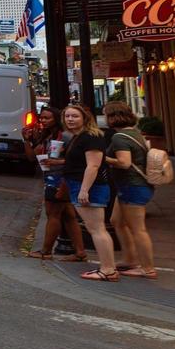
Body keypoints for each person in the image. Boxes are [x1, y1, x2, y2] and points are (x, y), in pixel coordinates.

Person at [57, 103, 118, 282]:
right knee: (95, 229)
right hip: (81, 185)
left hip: (89, 187)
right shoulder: (80, 137)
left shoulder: (90, 137)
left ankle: (108, 269)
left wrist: (84, 190)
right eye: (67, 116)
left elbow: (93, 165)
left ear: (85, 118)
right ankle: (108, 268)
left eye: (75, 116)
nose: (70, 119)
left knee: (97, 229)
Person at [24, 105, 85, 262]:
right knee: (68, 216)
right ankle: (80, 252)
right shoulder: (47, 136)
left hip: (59, 179)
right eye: (42, 117)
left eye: (47, 118)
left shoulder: (64, 136)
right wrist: (27, 140)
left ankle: (46, 251)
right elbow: (32, 158)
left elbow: (77, 160)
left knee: (53, 214)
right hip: (52, 176)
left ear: (56, 119)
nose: (43, 120)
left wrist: (57, 162)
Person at [103, 101, 158, 278]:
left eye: (106, 114)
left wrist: (104, 159)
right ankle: (129, 259)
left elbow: (124, 163)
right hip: (132, 185)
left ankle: (147, 268)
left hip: (132, 185)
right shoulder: (133, 133)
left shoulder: (119, 138)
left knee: (138, 228)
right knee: (117, 221)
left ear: (112, 117)